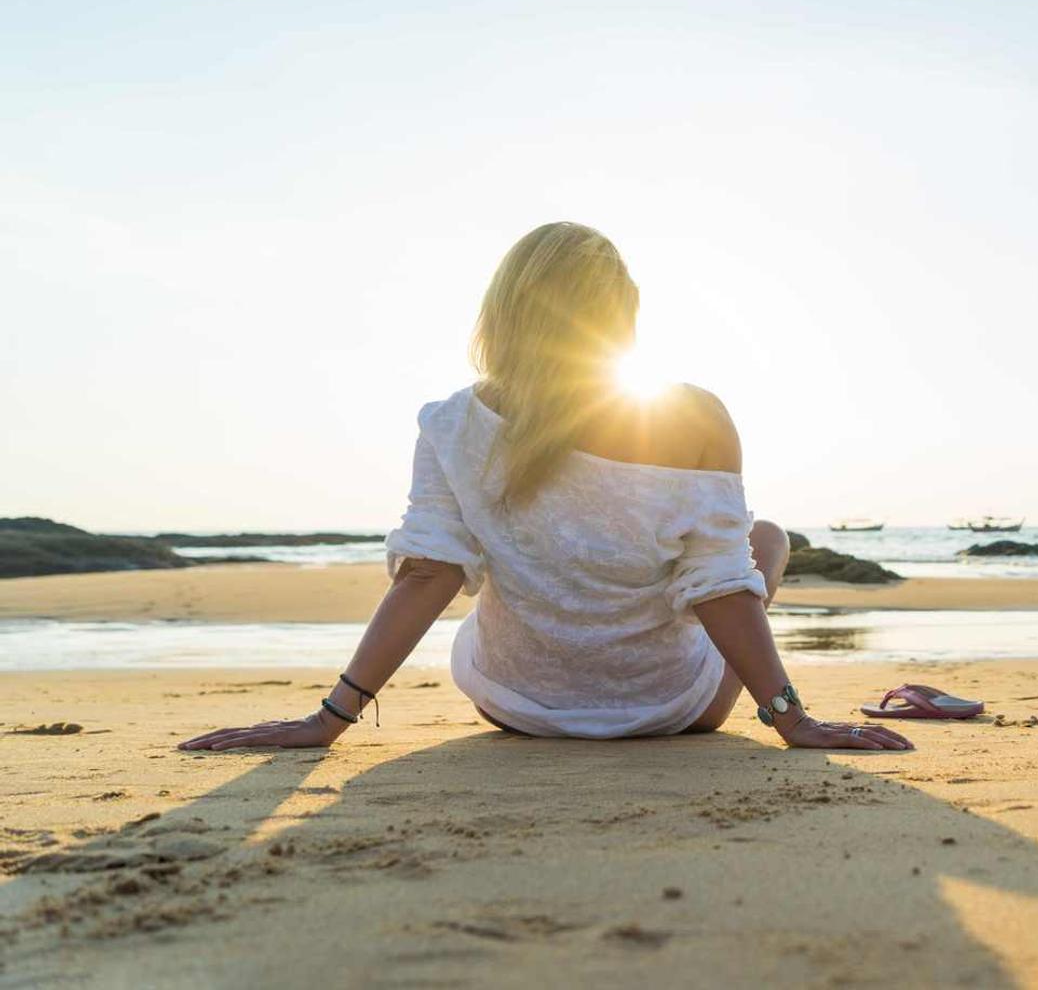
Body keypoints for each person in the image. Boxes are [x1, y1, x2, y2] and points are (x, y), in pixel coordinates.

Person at [180, 223, 911, 754]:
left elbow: (428, 576)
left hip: (515, 705)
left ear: (502, 312)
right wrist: (792, 720)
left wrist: (329, 718)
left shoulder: (451, 425)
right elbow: (721, 585)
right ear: (621, 317)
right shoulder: (693, 417)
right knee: (766, 540)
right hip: (670, 712)